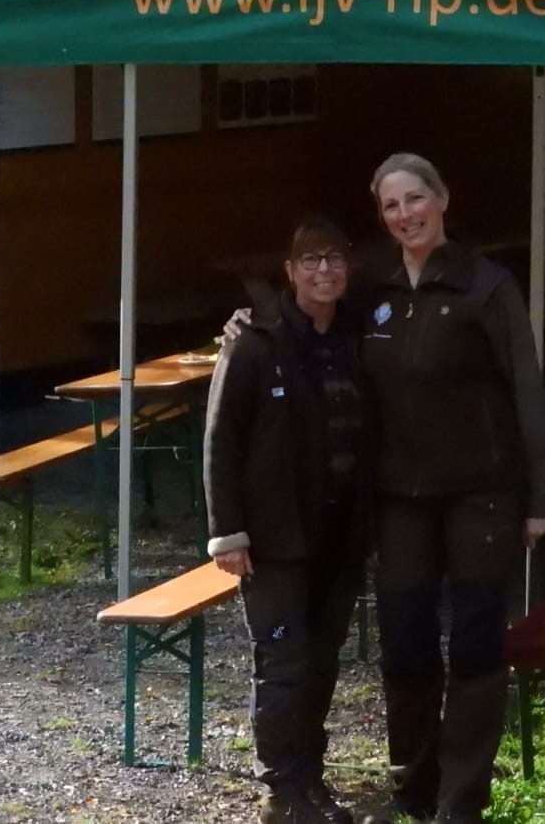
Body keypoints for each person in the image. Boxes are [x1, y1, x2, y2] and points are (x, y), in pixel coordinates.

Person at [224, 154, 545, 824]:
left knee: (474, 647)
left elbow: (528, 392)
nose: (405, 214)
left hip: (481, 493)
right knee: (405, 644)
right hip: (399, 496)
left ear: (443, 199)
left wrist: (541, 497)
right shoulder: (371, 283)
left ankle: (461, 800)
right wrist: (248, 322)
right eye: (391, 205)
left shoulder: (486, 286)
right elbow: (306, 309)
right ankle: (415, 788)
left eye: (415, 199)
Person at [205, 216, 372, 824]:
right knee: (283, 665)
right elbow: (221, 439)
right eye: (310, 260)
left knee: (322, 662)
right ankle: (282, 793)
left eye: (335, 258)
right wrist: (228, 532)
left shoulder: (358, 335)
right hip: (275, 538)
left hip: (341, 532)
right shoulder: (255, 341)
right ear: (290, 270)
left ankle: (311, 780)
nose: (324, 270)